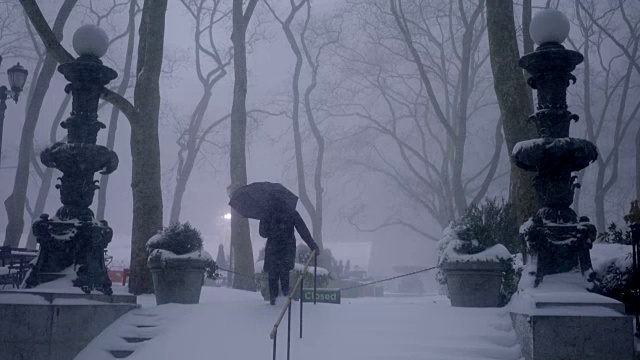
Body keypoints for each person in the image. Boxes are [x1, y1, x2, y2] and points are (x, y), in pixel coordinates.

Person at [259, 210, 320, 305]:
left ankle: (274, 301)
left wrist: (270, 225)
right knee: (284, 276)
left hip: (273, 249)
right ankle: (285, 301)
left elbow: (263, 233)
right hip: (286, 249)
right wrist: (312, 245)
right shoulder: (291, 211)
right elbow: (303, 230)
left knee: (273, 277)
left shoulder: (269, 212)